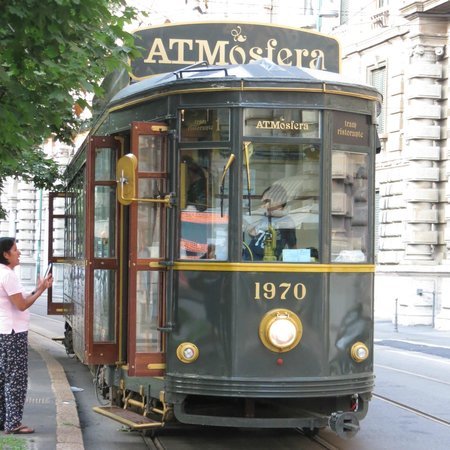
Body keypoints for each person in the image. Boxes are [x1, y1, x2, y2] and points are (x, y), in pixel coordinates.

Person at [0, 237, 53, 435]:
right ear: (6, 254)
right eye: (15, 249)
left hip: (3, 331)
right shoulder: (8, 275)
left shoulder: (3, 273)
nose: (19, 252)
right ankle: (13, 423)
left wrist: (38, 288)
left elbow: (18, 300)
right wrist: (40, 290)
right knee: (16, 379)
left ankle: (3, 419)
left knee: (3, 376)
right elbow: (22, 305)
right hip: (13, 334)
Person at [244, 185, 297, 261]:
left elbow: (292, 246)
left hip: (268, 262)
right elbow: (251, 232)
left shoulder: (287, 222)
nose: (264, 205)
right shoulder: (264, 217)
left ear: (280, 201)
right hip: (250, 259)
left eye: (267, 201)